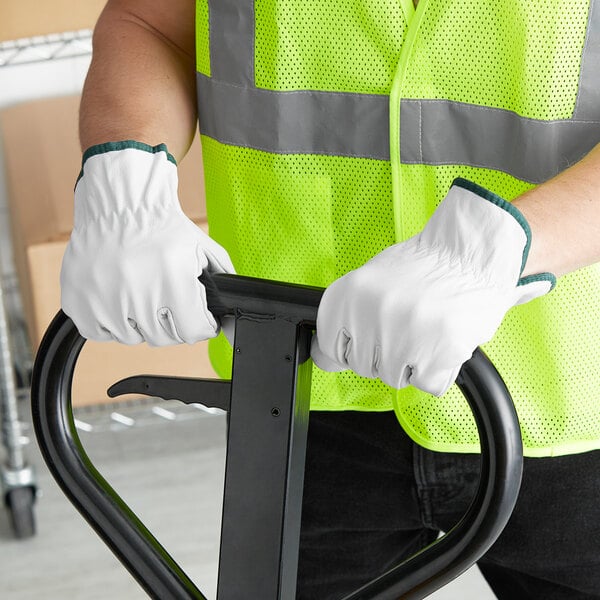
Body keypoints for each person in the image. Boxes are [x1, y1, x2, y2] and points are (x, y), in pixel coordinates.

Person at [60, 0, 600, 597]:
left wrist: (502, 248)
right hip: (302, 389)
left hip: (576, 394)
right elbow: (151, 23)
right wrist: (125, 177)